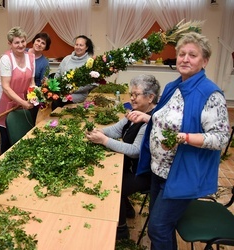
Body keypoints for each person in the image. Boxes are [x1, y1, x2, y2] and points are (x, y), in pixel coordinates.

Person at [127, 32, 230, 249]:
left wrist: (184, 137)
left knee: (158, 227)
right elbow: (164, 116)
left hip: (181, 174)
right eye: (181, 53)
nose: (185, 58)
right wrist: (148, 117)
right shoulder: (174, 86)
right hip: (159, 170)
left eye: (192, 55)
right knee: (161, 226)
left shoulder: (211, 94)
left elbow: (221, 138)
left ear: (205, 61)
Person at [86, 74, 161, 240]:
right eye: (131, 94)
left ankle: (121, 231)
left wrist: (104, 141)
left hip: (143, 173)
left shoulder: (151, 120)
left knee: (112, 186)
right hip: (130, 167)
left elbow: (135, 150)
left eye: (136, 95)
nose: (132, 98)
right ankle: (126, 209)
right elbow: (116, 129)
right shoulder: (136, 112)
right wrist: (98, 131)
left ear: (150, 97)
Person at [0, 26, 36, 155]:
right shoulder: (6, 59)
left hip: (20, 98)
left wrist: (34, 96)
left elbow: (32, 83)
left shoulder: (31, 58)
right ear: (10, 44)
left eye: (23, 41)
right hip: (1, 99)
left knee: (19, 132)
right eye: (16, 42)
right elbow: (6, 87)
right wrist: (24, 103)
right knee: (5, 135)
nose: (21, 45)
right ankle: (2, 165)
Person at [51, 35, 97, 110]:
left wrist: (72, 90)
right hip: (62, 93)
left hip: (78, 96)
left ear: (86, 47)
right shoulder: (66, 59)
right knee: (54, 101)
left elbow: (92, 84)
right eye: (76, 44)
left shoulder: (90, 61)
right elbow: (57, 75)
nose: (78, 47)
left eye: (81, 45)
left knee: (65, 104)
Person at [27, 32, 52, 124]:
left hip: (31, 96)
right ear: (33, 41)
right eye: (38, 40)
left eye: (43, 43)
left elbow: (43, 84)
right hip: (15, 91)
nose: (39, 44)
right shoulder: (22, 52)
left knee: (29, 122)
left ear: (46, 47)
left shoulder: (44, 63)